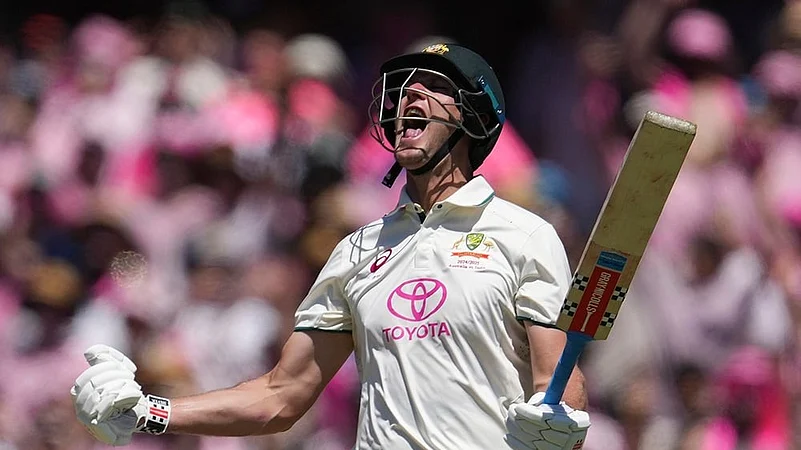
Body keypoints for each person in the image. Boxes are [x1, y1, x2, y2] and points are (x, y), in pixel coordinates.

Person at [70, 43, 591, 450]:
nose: (408, 98)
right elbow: (281, 396)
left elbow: (558, 385)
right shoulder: (357, 251)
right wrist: (150, 412)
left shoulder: (523, 235)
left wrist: (561, 423)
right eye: (402, 91)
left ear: (475, 114)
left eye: (433, 87)